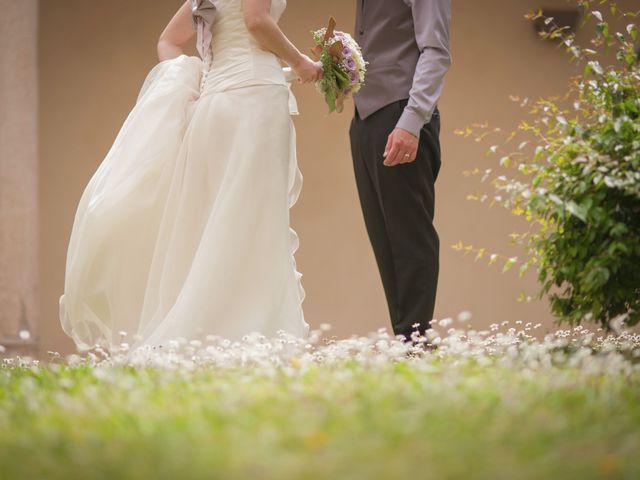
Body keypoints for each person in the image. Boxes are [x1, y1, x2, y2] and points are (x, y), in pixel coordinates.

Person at [58, 0, 322, 353]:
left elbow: (168, 40)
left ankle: (212, 330)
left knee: (214, 219)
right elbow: (255, 21)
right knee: (252, 220)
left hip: (213, 108)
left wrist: (195, 81)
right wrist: (300, 62)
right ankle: (244, 331)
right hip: (254, 103)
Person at [349, 0, 452, 342]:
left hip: (402, 114)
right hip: (366, 119)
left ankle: (416, 338)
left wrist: (411, 121)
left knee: (410, 236)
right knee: (384, 237)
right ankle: (405, 338)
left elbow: (436, 51)